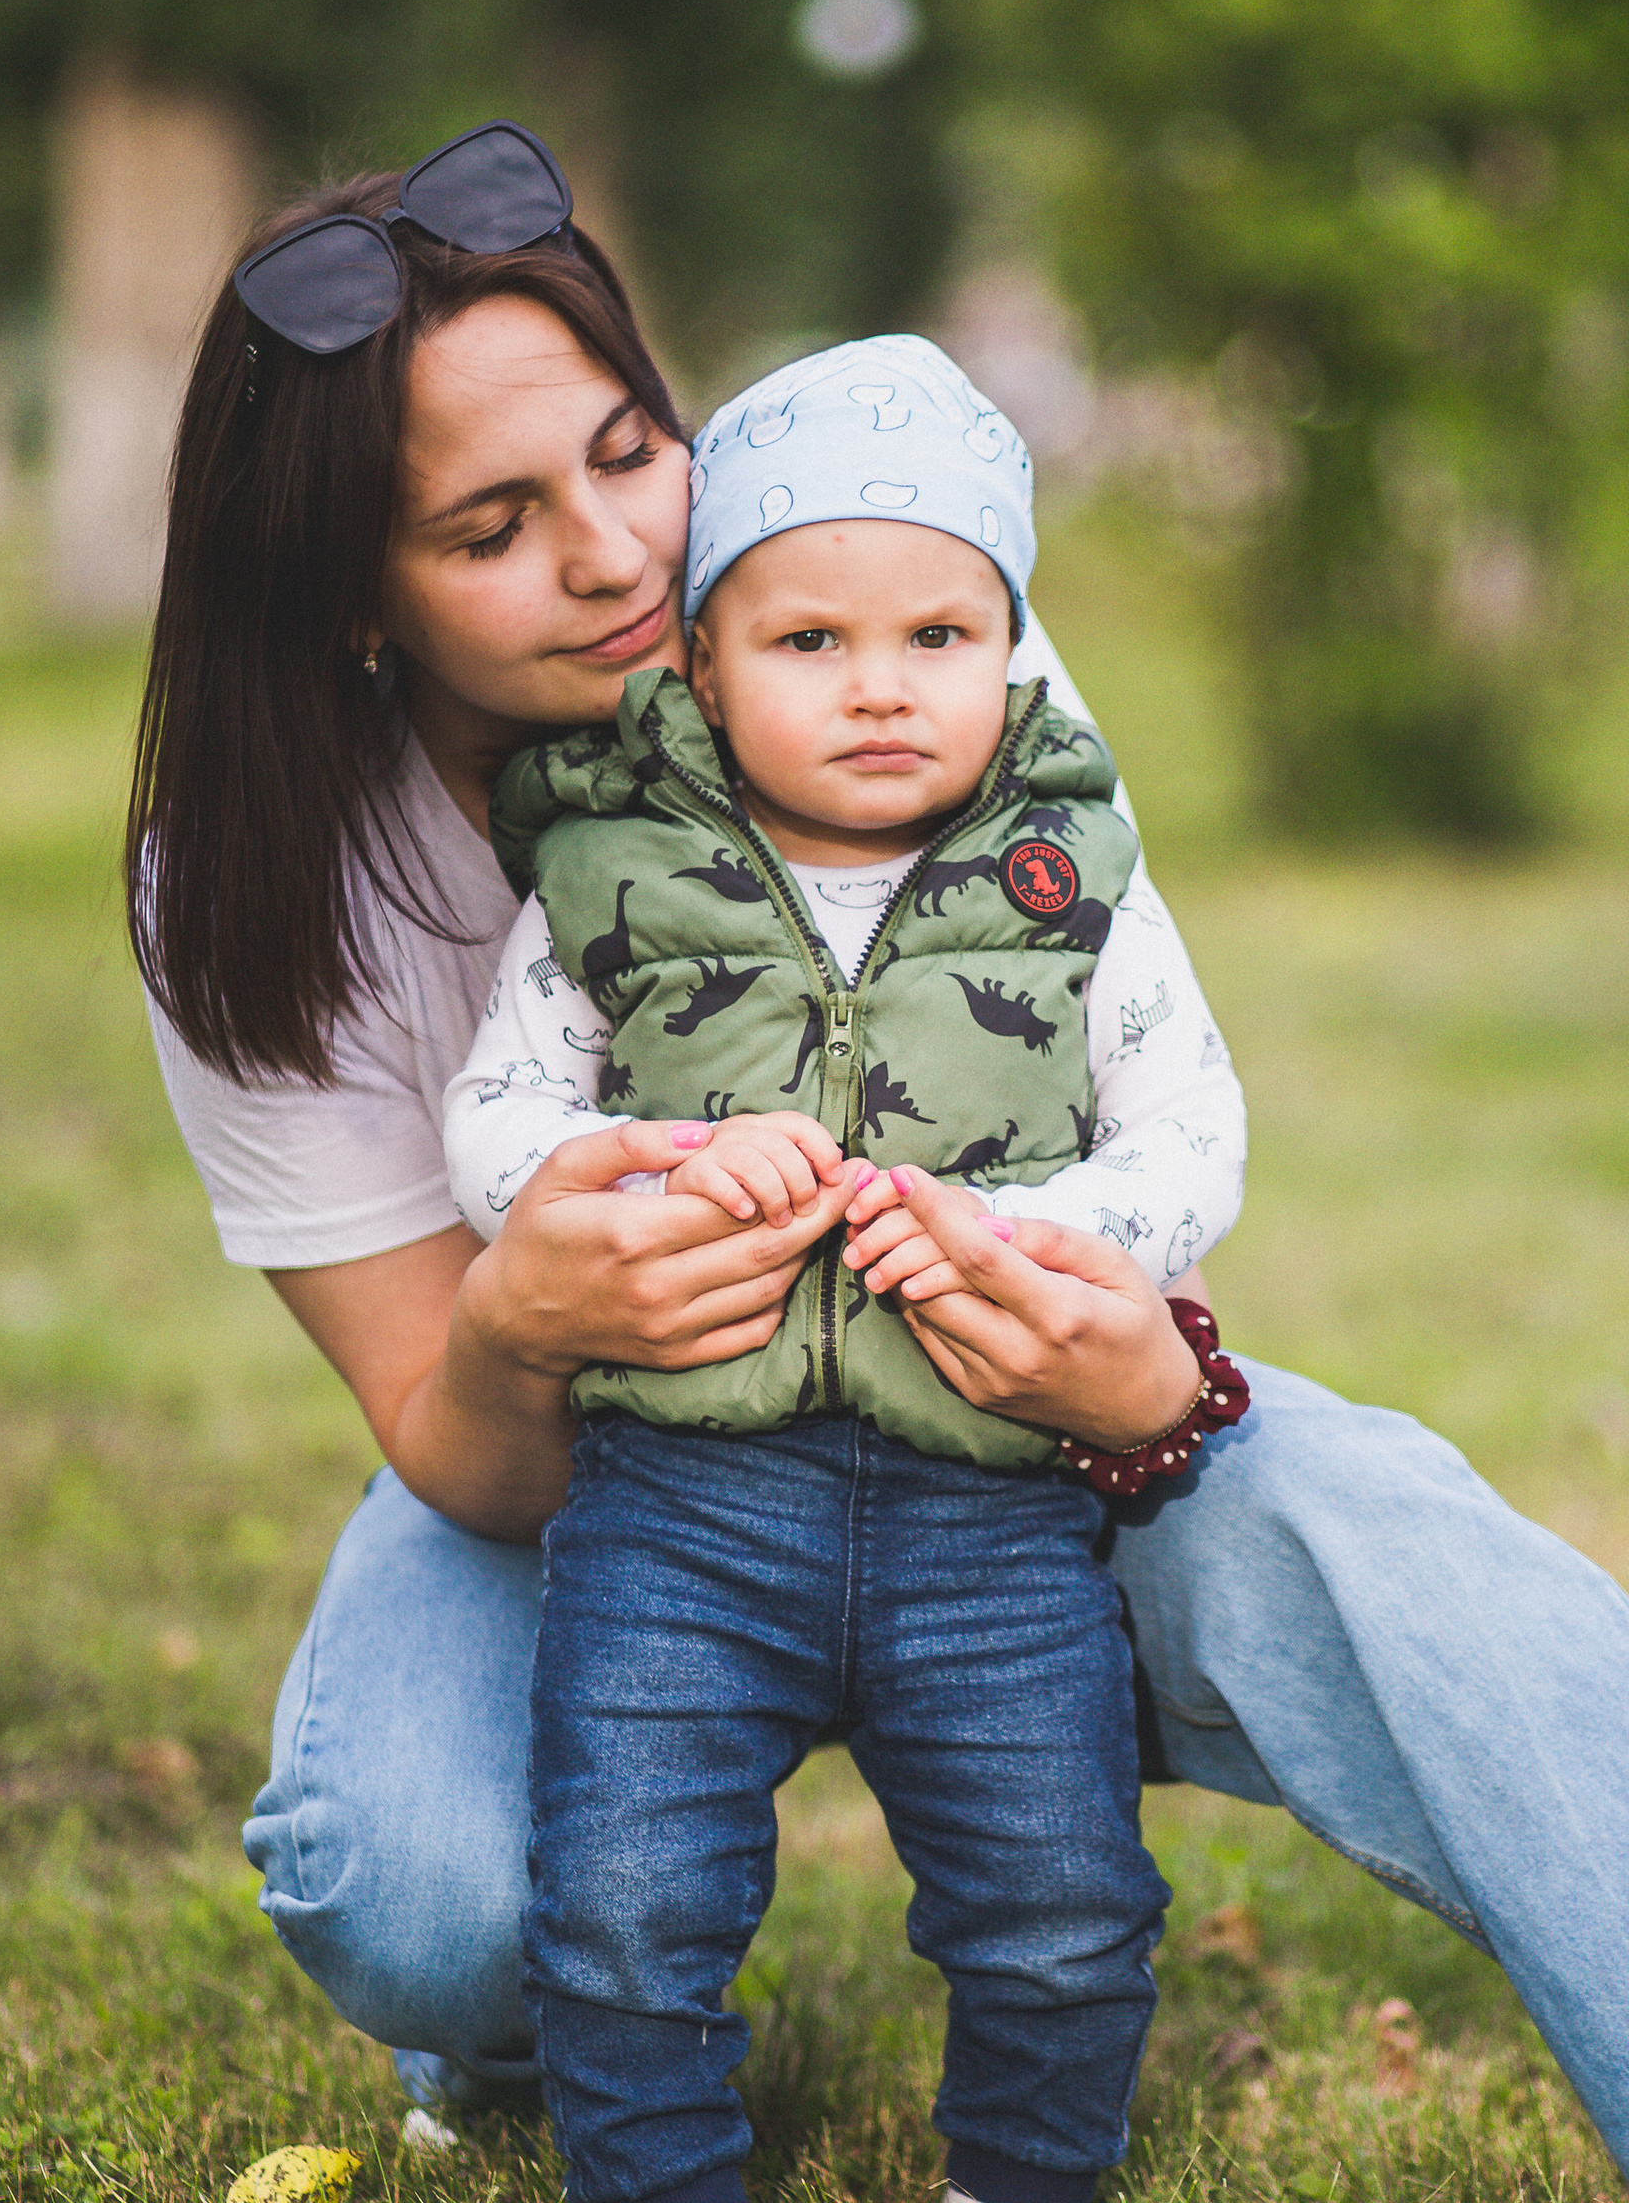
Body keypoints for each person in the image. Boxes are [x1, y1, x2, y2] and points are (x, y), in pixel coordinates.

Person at [129, 121, 1629, 2203]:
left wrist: (1137, 1391)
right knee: (418, 1886)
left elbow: (1116, 1104)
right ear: (350, 607)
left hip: (995, 1441)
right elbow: (446, 1438)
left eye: (628, 447)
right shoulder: (247, 888)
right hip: (604, 1486)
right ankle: (523, 2029)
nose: (612, 553)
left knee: (1368, 1528)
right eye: (487, 526)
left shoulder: (880, 607)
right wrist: (518, 1320)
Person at [442, 332, 1250, 2203]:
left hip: (992, 1503)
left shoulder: (1079, 886)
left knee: (1058, 1897)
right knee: (625, 1901)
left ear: (1013, 647)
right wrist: (628, 1169)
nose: (880, 690)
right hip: (679, 1502)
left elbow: (1193, 1137)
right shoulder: (610, 877)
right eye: (809, 643)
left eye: (939, 639)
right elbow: (495, 1115)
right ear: (707, 666)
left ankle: (1025, 2172)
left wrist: (1039, 1236)